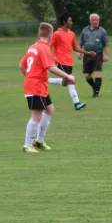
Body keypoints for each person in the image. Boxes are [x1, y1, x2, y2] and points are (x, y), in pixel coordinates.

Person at [19, 22, 75, 153]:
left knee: (49, 110)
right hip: (36, 86)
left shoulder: (33, 47)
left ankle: (39, 141)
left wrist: (29, 76)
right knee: (36, 116)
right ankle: (27, 145)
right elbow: (50, 67)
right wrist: (68, 76)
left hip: (39, 85)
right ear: (50, 35)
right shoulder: (44, 48)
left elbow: (22, 66)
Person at [47, 12, 96, 110]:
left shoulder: (71, 34)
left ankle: (47, 80)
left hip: (69, 62)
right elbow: (49, 46)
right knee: (71, 80)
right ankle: (77, 103)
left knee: (66, 82)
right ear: (64, 22)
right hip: (60, 62)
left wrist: (87, 53)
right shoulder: (57, 34)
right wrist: (49, 60)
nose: (71, 22)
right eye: (70, 20)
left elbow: (75, 48)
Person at [77, 13, 110, 98]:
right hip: (87, 55)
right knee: (87, 75)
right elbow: (80, 43)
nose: (95, 21)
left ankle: (96, 94)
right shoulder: (85, 30)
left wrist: (106, 54)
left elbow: (106, 44)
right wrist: (79, 52)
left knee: (97, 73)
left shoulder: (102, 31)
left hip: (98, 54)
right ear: (90, 21)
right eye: (93, 20)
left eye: (97, 20)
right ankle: (95, 88)